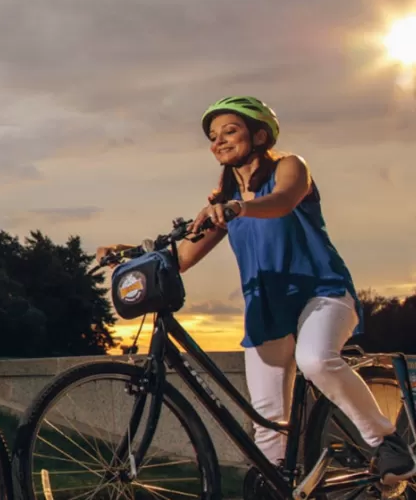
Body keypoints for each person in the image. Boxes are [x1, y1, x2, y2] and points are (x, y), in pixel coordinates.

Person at [97, 96, 415, 484]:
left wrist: (238, 208)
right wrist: (126, 253)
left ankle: (385, 441)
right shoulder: (223, 204)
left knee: (315, 359)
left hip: (323, 292)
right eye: (213, 137)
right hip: (266, 306)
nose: (219, 142)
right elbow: (180, 256)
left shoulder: (289, 168)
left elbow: (281, 202)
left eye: (230, 131)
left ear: (259, 133)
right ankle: (276, 486)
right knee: (266, 420)